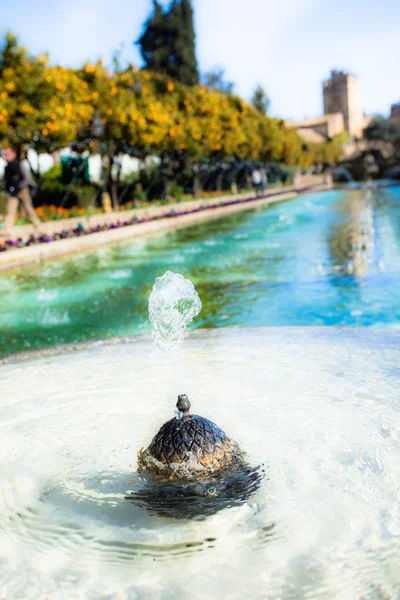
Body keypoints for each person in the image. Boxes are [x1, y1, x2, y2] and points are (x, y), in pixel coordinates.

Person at [1, 146, 42, 238]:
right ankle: (8, 230)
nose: (5, 156)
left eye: (7, 154)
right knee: (10, 211)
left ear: (13, 154)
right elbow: (5, 181)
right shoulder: (6, 168)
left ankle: (37, 225)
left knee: (28, 208)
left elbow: (27, 178)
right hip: (12, 193)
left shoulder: (19, 164)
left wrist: (19, 186)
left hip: (22, 191)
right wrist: (7, 190)